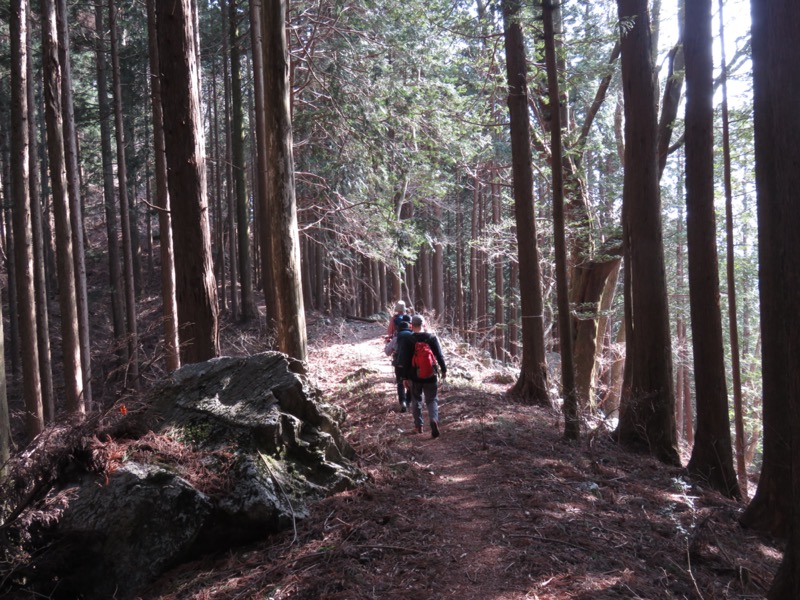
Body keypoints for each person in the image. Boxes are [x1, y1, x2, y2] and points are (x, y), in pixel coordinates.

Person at [397, 314, 447, 438]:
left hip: (414, 376)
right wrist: (444, 370)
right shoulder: (431, 337)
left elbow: (403, 360)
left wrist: (403, 378)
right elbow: (439, 356)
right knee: (432, 399)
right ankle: (433, 419)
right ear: (424, 325)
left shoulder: (408, 339)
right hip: (430, 375)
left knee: (416, 400)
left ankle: (418, 426)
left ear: (411, 326)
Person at [392, 320, 414, 412]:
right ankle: (408, 401)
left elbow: (387, 351)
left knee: (400, 383)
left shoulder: (396, 338)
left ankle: (403, 402)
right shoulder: (413, 337)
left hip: (399, 364)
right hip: (411, 364)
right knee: (410, 382)